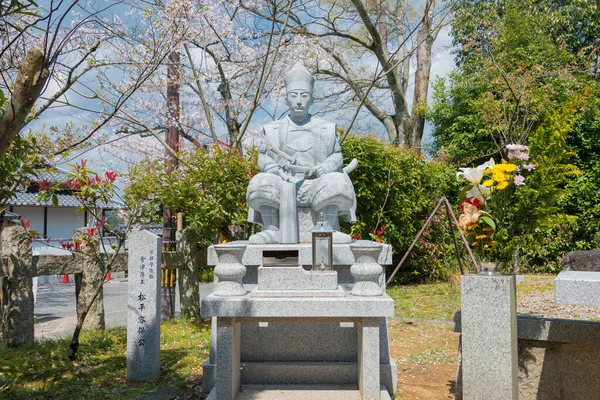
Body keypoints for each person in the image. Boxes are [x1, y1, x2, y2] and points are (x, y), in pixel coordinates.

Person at [246, 62, 356, 244]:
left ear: (311, 99)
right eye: (293, 95)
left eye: (304, 95)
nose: (298, 100)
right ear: (287, 99)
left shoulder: (326, 128)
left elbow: (337, 156)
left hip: (315, 184)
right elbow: (262, 156)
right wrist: (270, 166)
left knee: (337, 181)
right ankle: (273, 229)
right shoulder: (272, 129)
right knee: (259, 182)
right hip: (282, 184)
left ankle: (326, 229)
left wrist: (326, 167)